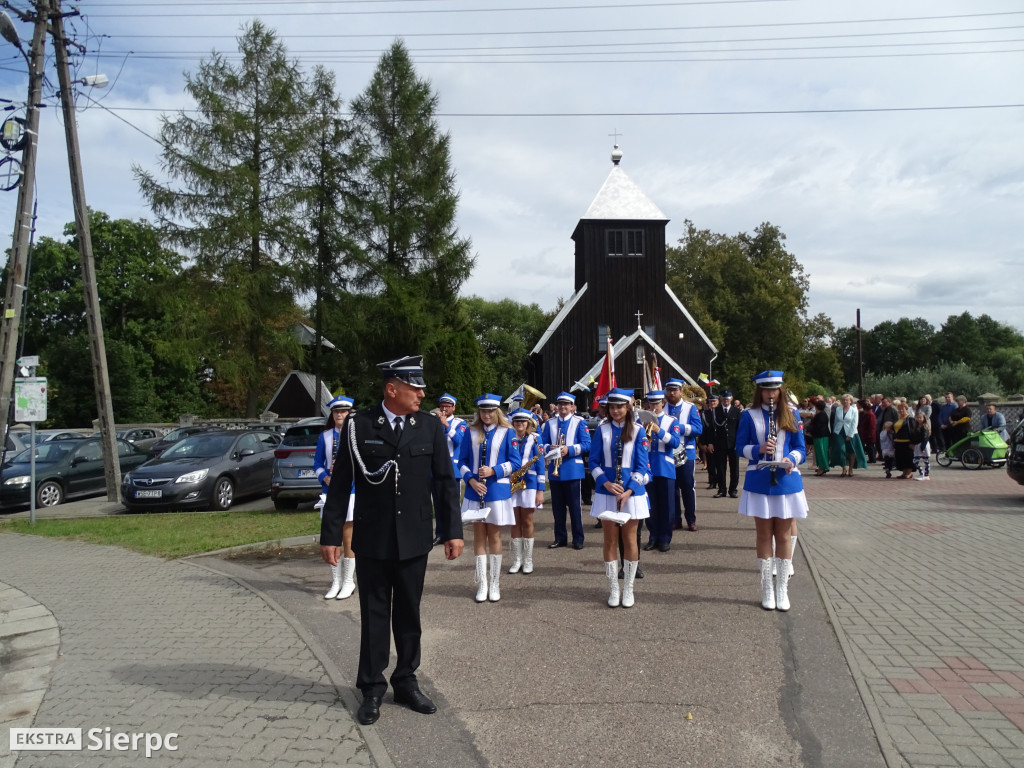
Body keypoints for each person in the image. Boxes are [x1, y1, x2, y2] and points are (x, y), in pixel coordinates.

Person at [321, 355, 464, 727]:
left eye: (421, 386)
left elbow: (445, 482)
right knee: (374, 614)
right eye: (415, 387)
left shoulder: (430, 425)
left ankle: (406, 680)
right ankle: (371, 688)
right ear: (392, 388)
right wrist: (331, 534)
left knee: (409, 613)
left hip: (415, 537)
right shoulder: (359, 424)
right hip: (372, 537)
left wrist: (453, 531)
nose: (422, 393)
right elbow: (340, 482)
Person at [736, 370, 808, 612]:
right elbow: (739, 448)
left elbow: (801, 448)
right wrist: (758, 449)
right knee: (764, 534)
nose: (771, 394)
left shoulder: (792, 412)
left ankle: (782, 589)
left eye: (775, 389)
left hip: (787, 481)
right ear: (760, 391)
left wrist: (790, 458)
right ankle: (767, 587)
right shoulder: (749, 415)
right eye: (766, 389)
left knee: (784, 535)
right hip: (759, 481)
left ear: (780, 390)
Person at [589, 388, 650, 608]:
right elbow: (593, 463)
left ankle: (629, 589)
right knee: (610, 540)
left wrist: (629, 490)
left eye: (620, 406)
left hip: (631, 494)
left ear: (628, 407)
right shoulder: (602, 429)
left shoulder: (638, 430)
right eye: (612, 407)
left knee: (630, 540)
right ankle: (614, 588)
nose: (615, 411)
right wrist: (605, 482)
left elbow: (642, 465)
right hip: (607, 492)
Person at [458, 394, 521, 602]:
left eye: (490, 410)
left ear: (497, 411)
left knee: (494, 536)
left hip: (496, 492)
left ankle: (494, 582)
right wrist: (471, 480)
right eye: (483, 411)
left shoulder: (508, 432)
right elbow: (462, 461)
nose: (486, 414)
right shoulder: (471, 431)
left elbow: (516, 463)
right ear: (479, 412)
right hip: (475, 491)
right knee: (478, 537)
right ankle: (482, 583)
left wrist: (494, 471)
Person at [538, 391, 591, 549]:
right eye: (560, 404)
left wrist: (569, 449)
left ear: (572, 407)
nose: (563, 407)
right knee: (557, 508)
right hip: (556, 471)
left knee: (575, 507)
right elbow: (542, 444)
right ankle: (560, 537)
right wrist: (549, 447)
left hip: (573, 469)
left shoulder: (579, 422)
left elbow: (587, 444)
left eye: (566, 404)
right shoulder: (549, 423)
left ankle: (578, 538)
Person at [315, 396, 356, 600]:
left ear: (349, 413)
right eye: (336, 412)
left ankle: (348, 581)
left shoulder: (356, 434)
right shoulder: (325, 436)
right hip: (330, 491)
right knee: (332, 536)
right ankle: (335, 581)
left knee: (349, 537)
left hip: (351, 491)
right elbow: (317, 465)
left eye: (343, 411)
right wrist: (326, 477)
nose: (340, 415)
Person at [641, 389, 681, 553]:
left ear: (662, 403)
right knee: (650, 506)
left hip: (665, 468)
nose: (653, 406)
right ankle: (653, 536)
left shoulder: (672, 421)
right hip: (648, 467)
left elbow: (676, 442)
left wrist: (659, 431)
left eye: (656, 403)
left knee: (666, 506)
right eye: (651, 403)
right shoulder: (641, 420)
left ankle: (665, 538)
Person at [508, 409, 545, 574]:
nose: (519, 424)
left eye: (523, 421)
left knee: (527, 520)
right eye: (517, 421)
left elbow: (541, 464)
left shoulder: (536, 439)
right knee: (514, 521)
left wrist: (540, 490)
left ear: (528, 423)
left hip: (529, 483)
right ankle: (517, 559)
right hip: (512, 483)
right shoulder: (508, 437)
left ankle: (528, 560)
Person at [664, 379, 703, 531]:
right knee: (671, 488)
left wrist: (678, 428)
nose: (672, 393)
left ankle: (691, 520)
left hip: (686, 451)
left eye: (675, 390)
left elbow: (698, 429)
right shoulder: (663, 407)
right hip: (667, 452)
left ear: (681, 391)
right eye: (669, 390)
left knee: (687, 487)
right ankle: (675, 519)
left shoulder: (690, 407)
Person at [434, 393, 467, 546]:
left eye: (447, 406)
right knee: (438, 502)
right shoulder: (434, 422)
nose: (444, 408)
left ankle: (454, 533)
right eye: (442, 406)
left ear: (453, 407)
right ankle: (440, 533)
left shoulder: (460, 423)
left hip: (453, 468)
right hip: (435, 467)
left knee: (452, 503)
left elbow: (460, 440)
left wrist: (446, 425)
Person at [829, 393, 867, 477]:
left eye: (847, 400)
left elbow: (854, 423)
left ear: (850, 401)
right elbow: (836, 421)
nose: (845, 401)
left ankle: (850, 469)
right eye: (843, 400)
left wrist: (850, 435)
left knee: (851, 451)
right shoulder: (838, 409)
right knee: (840, 449)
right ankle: (843, 468)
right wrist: (834, 431)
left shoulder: (854, 410)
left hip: (851, 432)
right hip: (839, 432)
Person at [892, 400, 921, 479]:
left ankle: (909, 473)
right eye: (900, 409)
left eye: (903, 409)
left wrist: (913, 442)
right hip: (898, 442)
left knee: (908, 458)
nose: (901, 410)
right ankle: (904, 473)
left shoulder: (910, 419)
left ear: (906, 409)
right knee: (901, 458)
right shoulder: (898, 419)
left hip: (907, 442)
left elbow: (913, 432)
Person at [807, 398, 831, 476]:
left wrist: (808, 428)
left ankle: (823, 467)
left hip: (821, 436)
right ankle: (821, 466)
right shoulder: (820, 414)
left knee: (822, 452)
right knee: (819, 452)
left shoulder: (821, 415)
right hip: (818, 436)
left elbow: (817, 427)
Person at [913, 411, 932, 481]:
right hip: (918, 444)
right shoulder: (917, 426)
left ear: (924, 418)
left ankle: (926, 475)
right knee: (915, 461)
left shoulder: (925, 427)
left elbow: (925, 437)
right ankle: (922, 473)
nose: (918, 419)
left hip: (923, 444)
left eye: (920, 418)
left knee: (925, 460)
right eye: (917, 417)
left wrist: (923, 447)